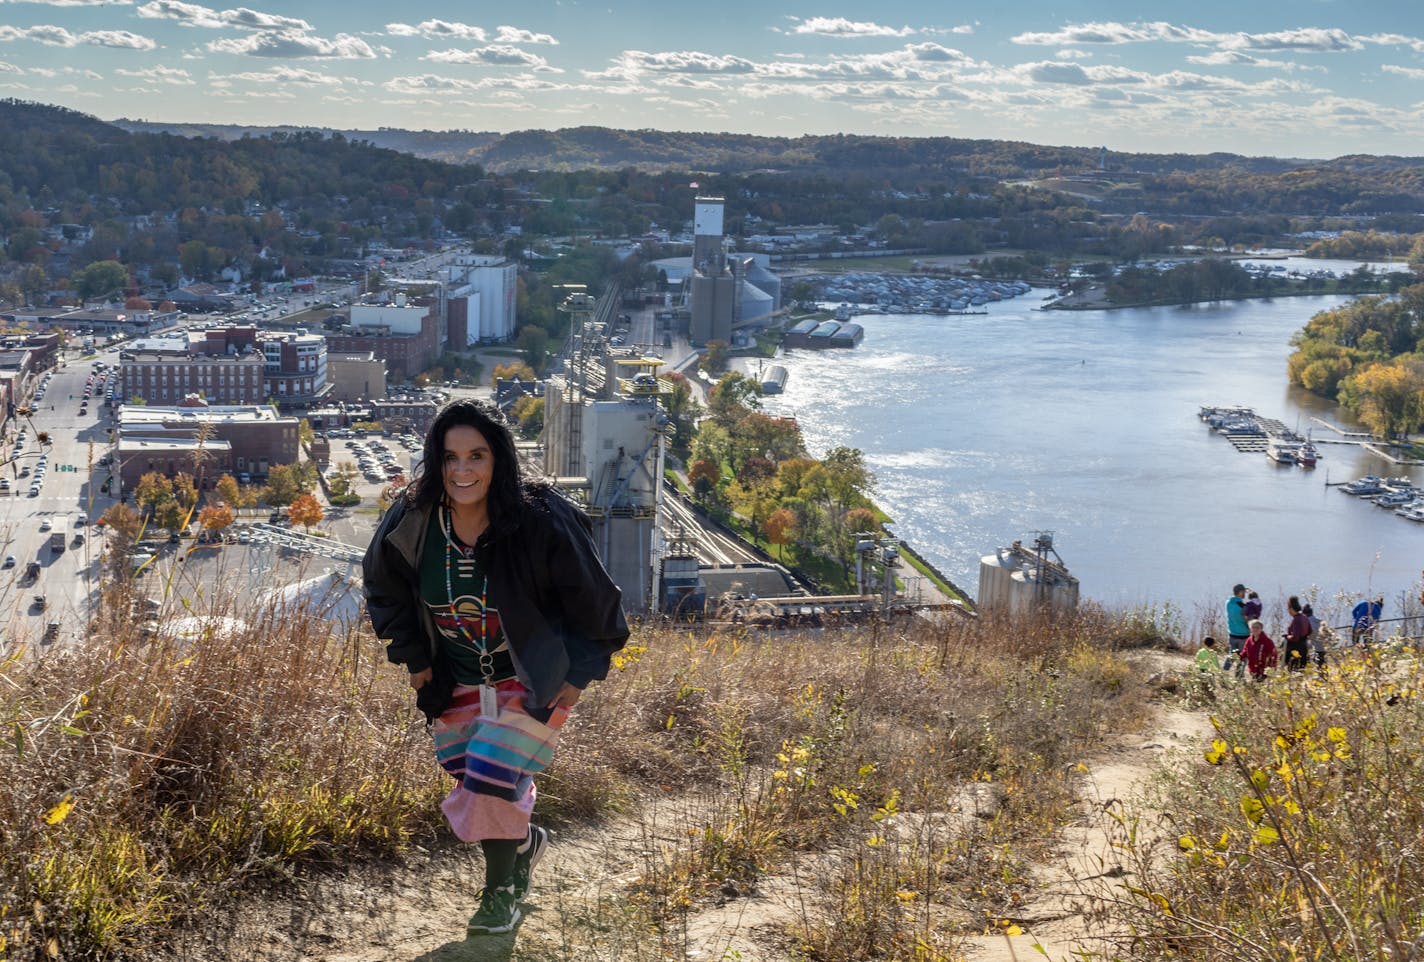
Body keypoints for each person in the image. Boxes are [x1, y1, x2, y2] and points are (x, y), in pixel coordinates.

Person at [363, 399, 629, 937]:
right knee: (476, 775)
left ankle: (499, 895)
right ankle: (524, 845)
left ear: (497, 460)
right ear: (435, 462)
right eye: (450, 456)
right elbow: (383, 589)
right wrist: (416, 663)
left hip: (530, 678)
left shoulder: (539, 519)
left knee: (488, 781)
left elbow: (598, 604)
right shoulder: (413, 518)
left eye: (476, 456)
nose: (463, 470)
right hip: (452, 677)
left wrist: (577, 680)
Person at [1223, 584, 1250, 676]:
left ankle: (1224, 672)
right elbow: (1247, 619)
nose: (1245, 594)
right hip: (1243, 635)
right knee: (1243, 658)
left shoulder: (1228, 603)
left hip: (1232, 634)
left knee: (1231, 655)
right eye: (1244, 592)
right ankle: (1239, 677)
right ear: (1240, 592)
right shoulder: (1243, 606)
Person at [1283, 596, 1311, 672]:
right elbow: (1309, 631)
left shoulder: (1296, 620)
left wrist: (1287, 636)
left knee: (1294, 670)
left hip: (1295, 649)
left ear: (1291, 609)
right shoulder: (1304, 617)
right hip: (1304, 647)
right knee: (1301, 670)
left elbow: (1295, 637)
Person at [1303, 603, 1327, 671]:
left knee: (1318, 667)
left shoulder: (1307, 623)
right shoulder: (1319, 621)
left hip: (1315, 649)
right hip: (1324, 647)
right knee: (1322, 666)